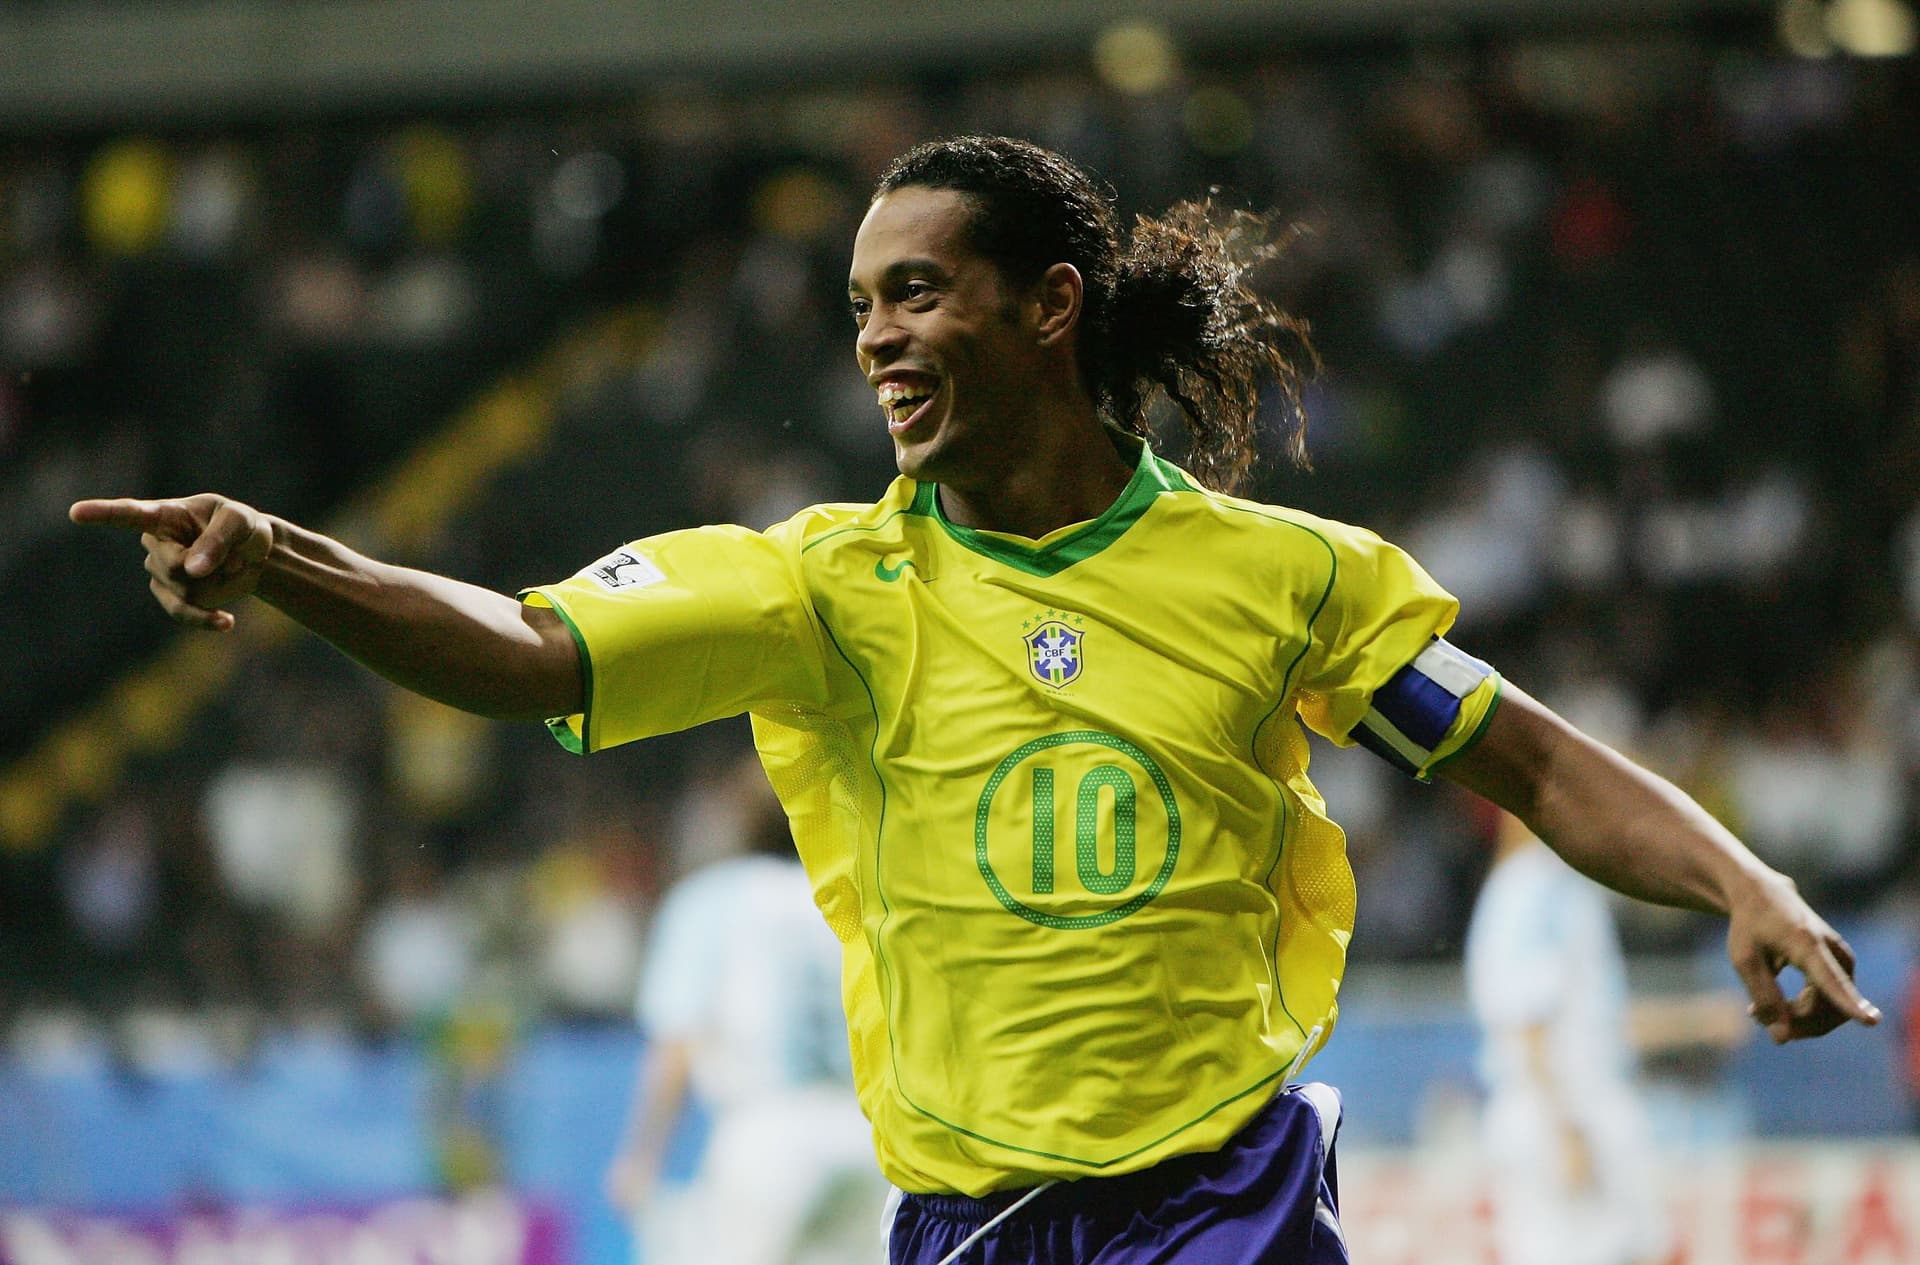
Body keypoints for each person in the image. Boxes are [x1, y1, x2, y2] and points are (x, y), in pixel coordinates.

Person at [72, 135, 1879, 1265]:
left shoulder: (1284, 580)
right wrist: (287, 562)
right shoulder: (816, 589)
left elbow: (1529, 760)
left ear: (1050, 306)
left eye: (918, 293)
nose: (873, 335)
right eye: (861, 303)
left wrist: (1741, 881)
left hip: (1222, 1201)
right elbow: (529, 649)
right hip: (967, 1228)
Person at [604, 754, 884, 1265]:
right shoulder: (856, 895)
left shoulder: (711, 899)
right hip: (864, 1134)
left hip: (765, 1134)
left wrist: (642, 1156)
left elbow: (678, 1042)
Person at [1465, 812, 1744, 1265]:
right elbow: (1526, 1021)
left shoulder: (1568, 886)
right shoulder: (1530, 890)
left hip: (1592, 1103)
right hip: (1559, 1110)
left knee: (1641, 1249)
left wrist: (1696, 1022)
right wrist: (1564, 1128)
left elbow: (1601, 1023)